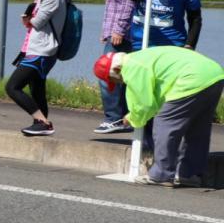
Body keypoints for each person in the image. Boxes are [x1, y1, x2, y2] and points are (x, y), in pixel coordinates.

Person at [94, 47, 223, 187]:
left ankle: (162, 174)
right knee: (198, 130)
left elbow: (145, 104)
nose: (120, 83)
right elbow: (156, 97)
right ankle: (190, 174)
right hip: (214, 75)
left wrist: (132, 119)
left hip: (191, 79)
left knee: (164, 123)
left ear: (116, 71)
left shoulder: (132, 68)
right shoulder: (140, 58)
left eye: (114, 80)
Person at [5, 0, 68, 136]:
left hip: (43, 49)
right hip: (36, 47)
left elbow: (38, 21)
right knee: (37, 88)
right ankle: (40, 124)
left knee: (13, 87)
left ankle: (43, 122)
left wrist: (29, 19)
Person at [94, 0, 140, 134]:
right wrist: (107, 30)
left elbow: (127, 3)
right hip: (115, 32)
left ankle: (114, 118)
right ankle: (124, 118)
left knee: (107, 73)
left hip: (122, 34)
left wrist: (118, 29)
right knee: (123, 76)